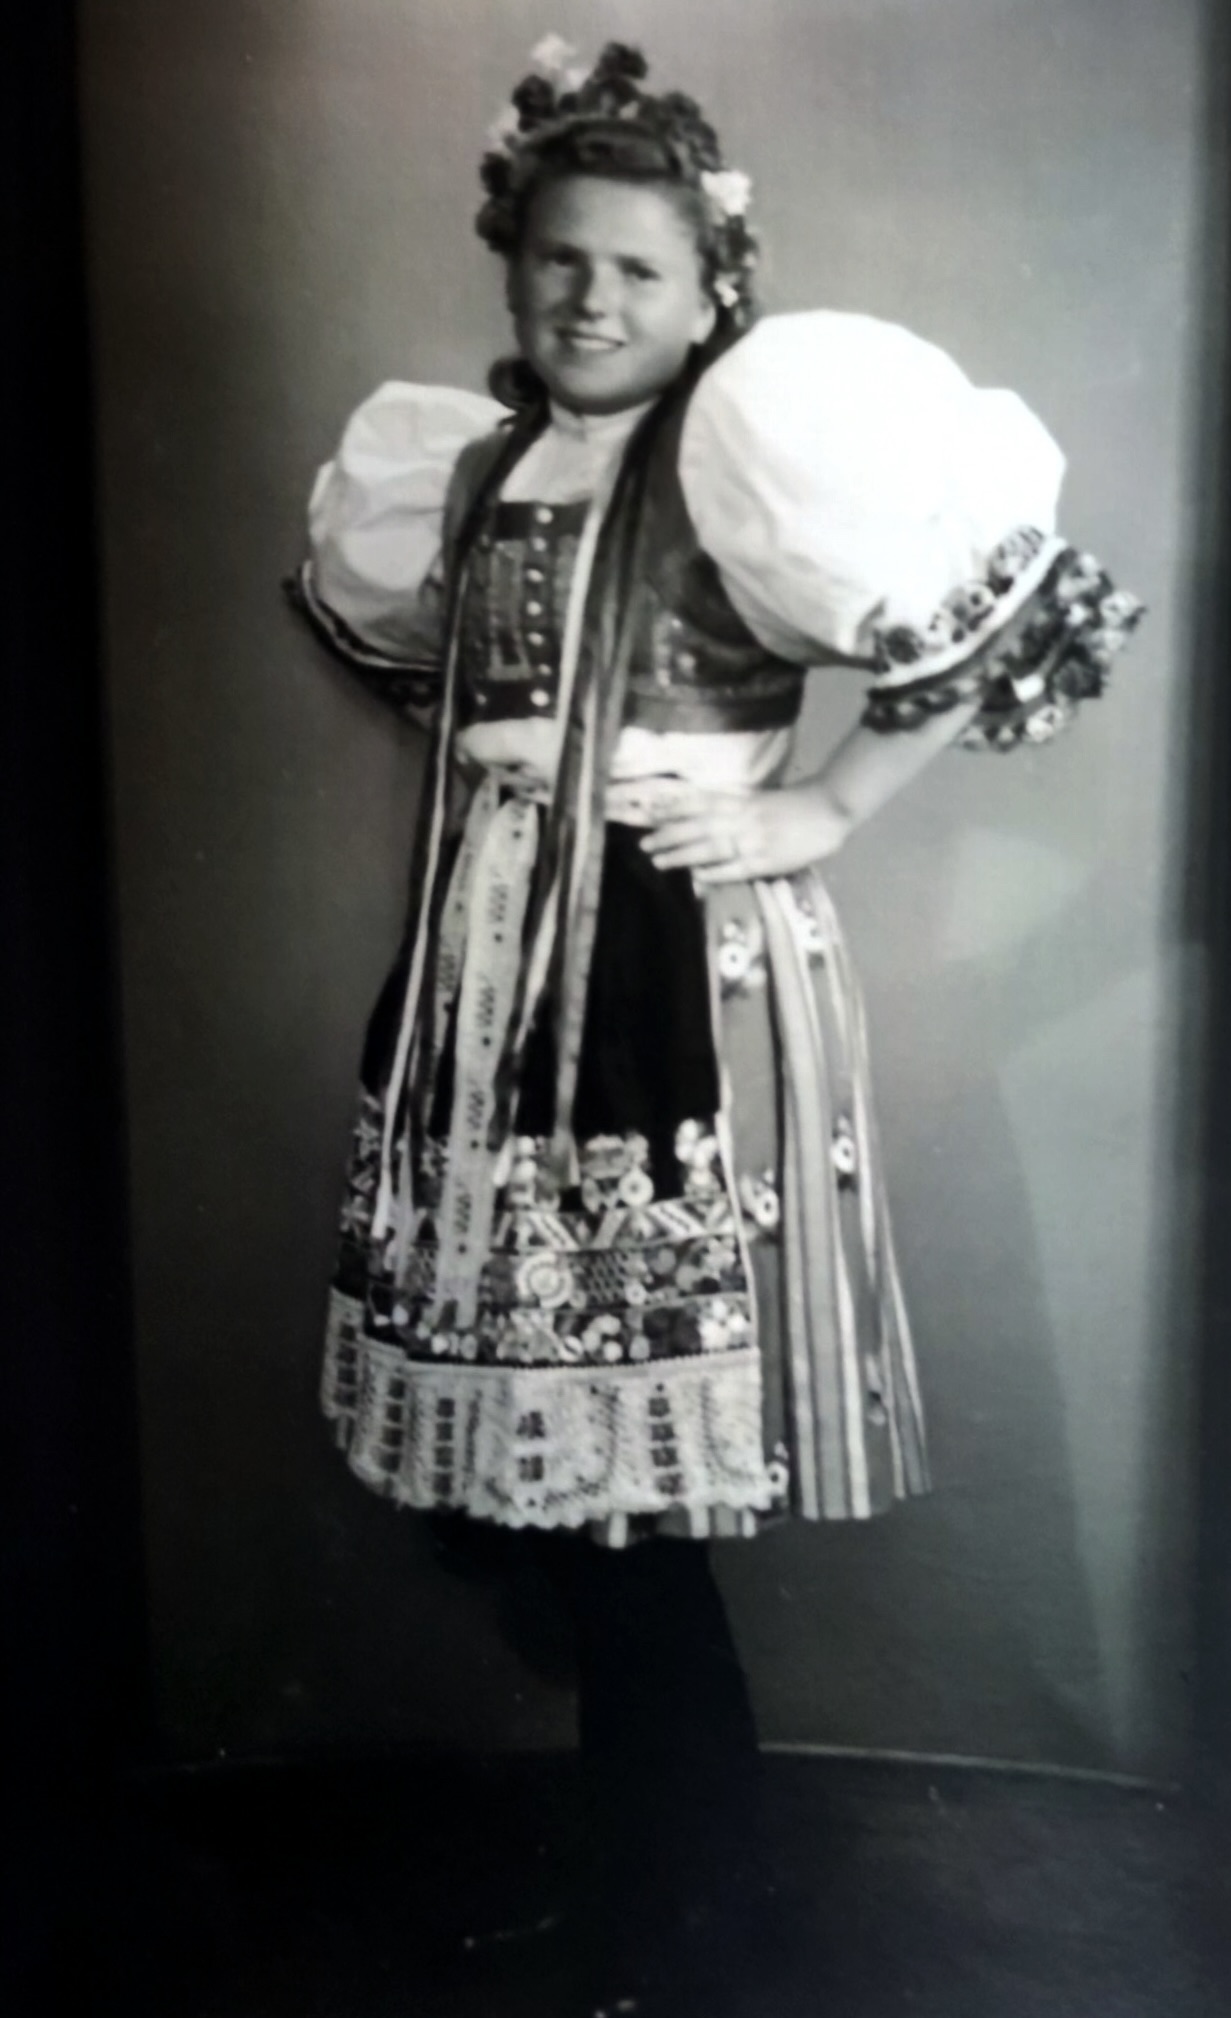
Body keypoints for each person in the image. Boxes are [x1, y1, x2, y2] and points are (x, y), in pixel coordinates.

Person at [286, 37, 1142, 2014]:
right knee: (532, 1473)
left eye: (639, 272)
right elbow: (459, 686)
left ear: (711, 291)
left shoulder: (748, 448)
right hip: (490, 967)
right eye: (559, 261)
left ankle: (684, 1903)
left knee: (627, 1490)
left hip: (668, 978)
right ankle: (654, 1870)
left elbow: (1000, 631)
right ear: (513, 263)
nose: (591, 301)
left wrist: (814, 805)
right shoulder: (467, 465)